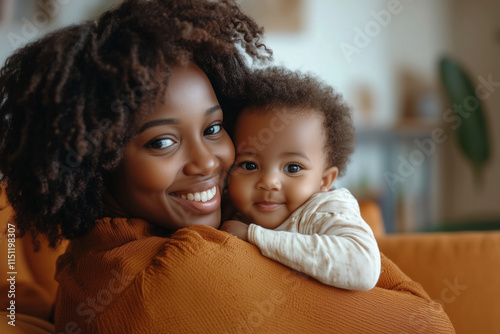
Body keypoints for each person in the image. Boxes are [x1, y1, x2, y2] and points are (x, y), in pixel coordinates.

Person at [0, 0, 455, 333]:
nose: (209, 161)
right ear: (93, 160)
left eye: (215, 129)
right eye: (162, 141)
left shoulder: (84, 263)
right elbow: (430, 325)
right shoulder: (186, 266)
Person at [220, 67, 380, 291]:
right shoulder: (230, 210)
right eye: (249, 165)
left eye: (292, 167)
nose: (269, 181)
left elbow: (364, 267)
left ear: (325, 181)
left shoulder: (323, 210)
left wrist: (254, 236)